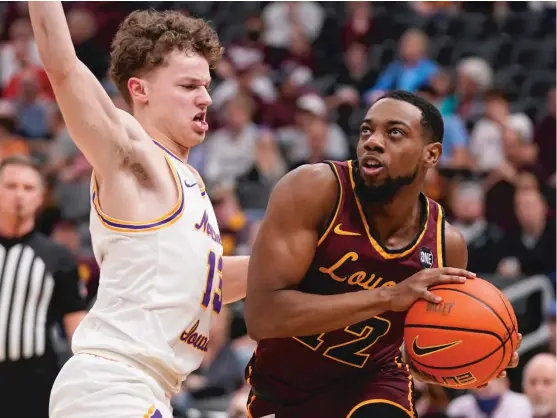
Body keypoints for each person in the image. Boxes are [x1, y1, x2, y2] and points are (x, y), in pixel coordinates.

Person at [29, 3, 249, 418]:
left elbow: (207, 279)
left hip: (145, 390)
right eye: (188, 86)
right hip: (112, 386)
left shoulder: (188, 182)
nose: (205, 97)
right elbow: (62, 66)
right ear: (140, 90)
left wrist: (307, 268)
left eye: (206, 85)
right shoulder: (133, 153)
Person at [244, 91, 520, 418]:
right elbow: (262, 317)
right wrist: (388, 297)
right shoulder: (315, 190)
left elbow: (422, 355)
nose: (373, 142)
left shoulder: (446, 245)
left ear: (431, 155)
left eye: (394, 132)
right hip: (283, 387)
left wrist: (478, 356)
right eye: (366, 130)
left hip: (374, 382)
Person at [0, 156, 87, 418]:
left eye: (28, 188)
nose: (19, 195)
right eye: (11, 186)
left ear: (40, 197)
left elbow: (77, 327)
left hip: (32, 380)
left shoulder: (57, 257)